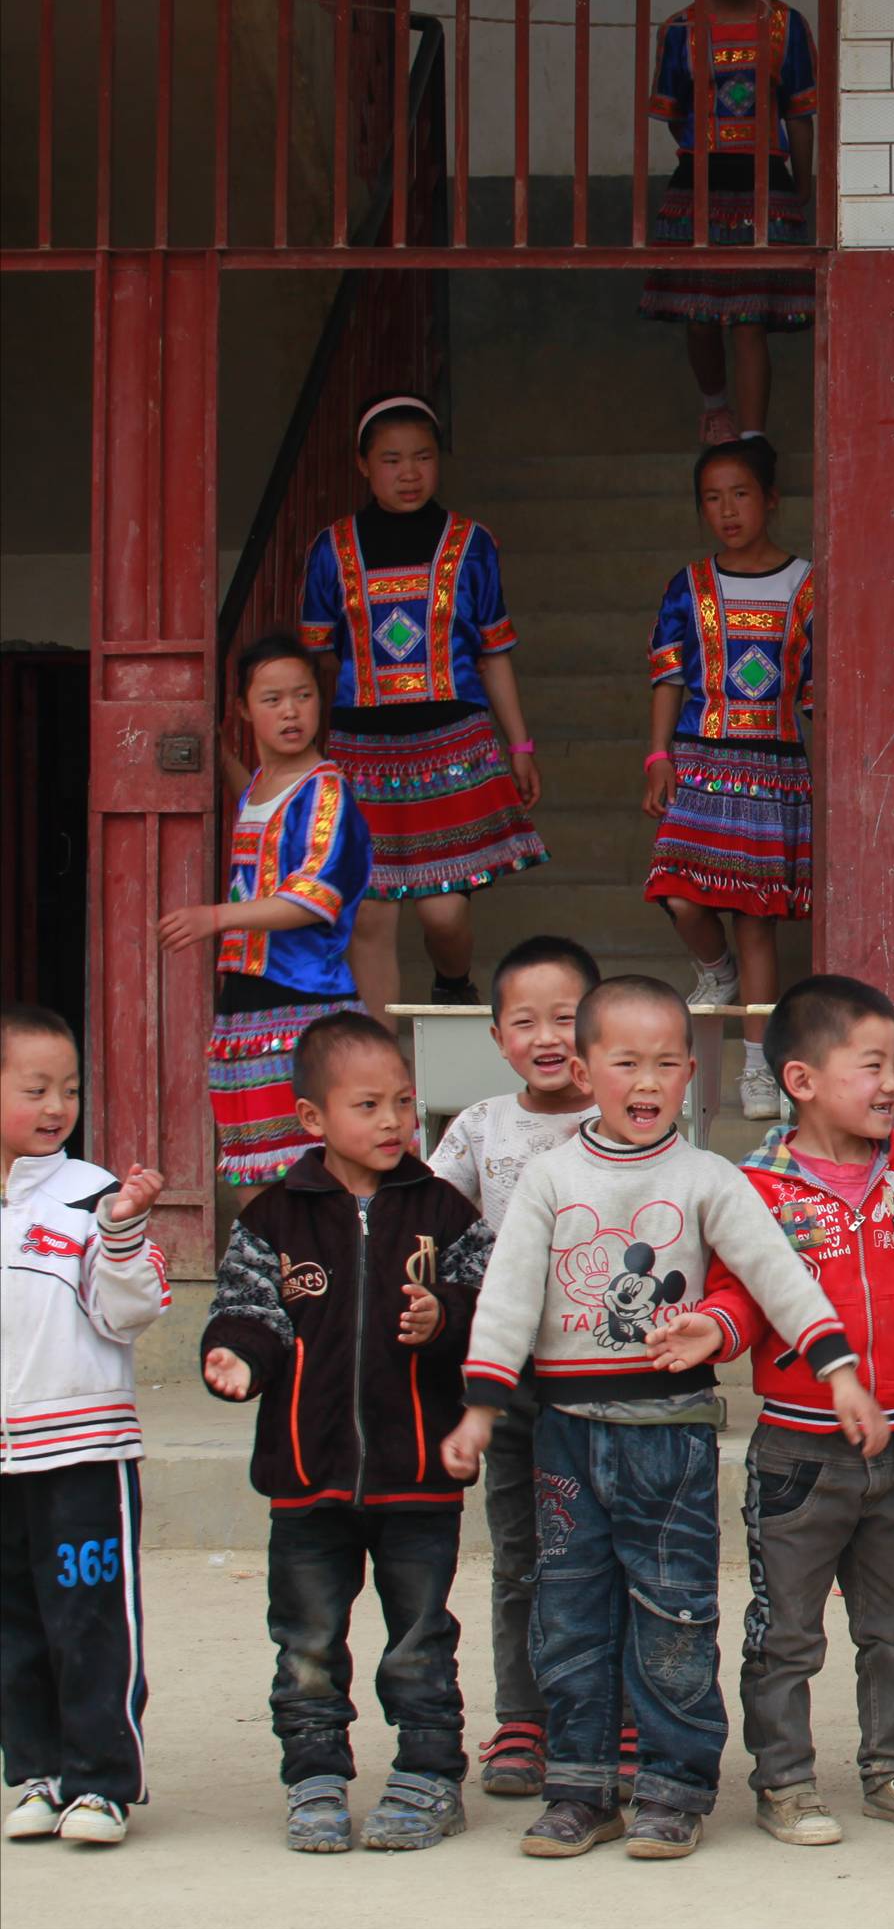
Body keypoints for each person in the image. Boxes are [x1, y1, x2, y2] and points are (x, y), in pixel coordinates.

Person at [440, 976, 890, 1861]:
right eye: (625, 1064)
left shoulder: (706, 1177)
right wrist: (482, 1408)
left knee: (675, 1612)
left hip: (671, 1437)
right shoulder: (550, 1177)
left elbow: (776, 1272)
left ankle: (673, 1788)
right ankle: (580, 1789)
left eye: (666, 1064)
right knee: (570, 1609)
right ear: (584, 1071)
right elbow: (509, 1296)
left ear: (692, 1073)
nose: (646, 1083)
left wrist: (839, 1371)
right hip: (567, 1434)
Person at [659, 977, 894, 1846]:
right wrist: (711, 1329)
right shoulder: (757, 1186)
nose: (893, 1083)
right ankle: (786, 1782)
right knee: (786, 1634)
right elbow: (740, 1296)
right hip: (799, 1455)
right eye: (872, 1065)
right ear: (802, 1079)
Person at [200, 1013, 492, 1854]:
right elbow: (249, 1309)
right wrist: (236, 1355)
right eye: (368, 1106)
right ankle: (315, 1777)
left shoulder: (444, 1210)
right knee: (306, 1642)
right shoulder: (273, 1217)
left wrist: (446, 1316)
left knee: (421, 1639)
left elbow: (488, 1305)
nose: (393, 1121)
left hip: (418, 1473)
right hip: (307, 1474)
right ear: (313, 1118)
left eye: (402, 1101)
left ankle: (429, 1776)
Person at [296, 395, 544, 1010]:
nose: (409, 473)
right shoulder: (331, 549)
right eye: (391, 460)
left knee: (443, 913)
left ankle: (453, 985)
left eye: (423, 458)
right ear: (363, 465)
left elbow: (493, 654)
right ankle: (379, 1056)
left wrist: (519, 744)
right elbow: (321, 660)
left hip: (452, 745)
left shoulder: (472, 543)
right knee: (370, 916)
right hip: (362, 752)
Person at [424, 933, 599, 1800]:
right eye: (524, 1022)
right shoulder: (480, 1127)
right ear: (497, 1037)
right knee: (522, 1549)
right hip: (509, 1377)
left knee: (607, 1548)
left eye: (565, 1018)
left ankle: (610, 1715)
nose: (547, 1037)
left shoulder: (624, 1119)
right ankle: (523, 1717)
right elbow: (425, 1218)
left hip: (602, 1367)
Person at [0, 1005, 168, 1848]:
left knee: (90, 1620)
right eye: (35, 1089)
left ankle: (101, 1784)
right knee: (14, 1625)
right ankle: (37, 1774)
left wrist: (123, 1232)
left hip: (82, 1452)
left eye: (68, 1088)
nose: (56, 1106)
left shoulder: (92, 1194)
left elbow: (130, 1312)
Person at [644, 439, 816, 1121]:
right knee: (678, 893)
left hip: (772, 766)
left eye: (740, 494)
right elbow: (668, 675)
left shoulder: (808, 585)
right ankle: (717, 974)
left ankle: (759, 1068)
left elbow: (820, 690)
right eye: (712, 499)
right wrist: (658, 755)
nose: (728, 511)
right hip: (700, 761)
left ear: (770, 499)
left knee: (756, 921)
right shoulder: (688, 586)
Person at [166, 632, 374, 1187]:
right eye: (273, 699)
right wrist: (221, 756)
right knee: (253, 1161)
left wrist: (216, 917)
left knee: (320, 1162)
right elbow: (258, 808)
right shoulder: (262, 785)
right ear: (243, 709)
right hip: (246, 997)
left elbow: (315, 897)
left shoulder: (327, 792)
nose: (291, 712)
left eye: (303, 696)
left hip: (305, 996)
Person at [640, 0, 818, 445]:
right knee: (699, 317)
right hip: (698, 184)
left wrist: (802, 183)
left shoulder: (787, 24)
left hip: (765, 182)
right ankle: (716, 411)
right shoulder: (679, 28)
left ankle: (754, 439)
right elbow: (675, 114)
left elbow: (799, 114)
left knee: (748, 319)